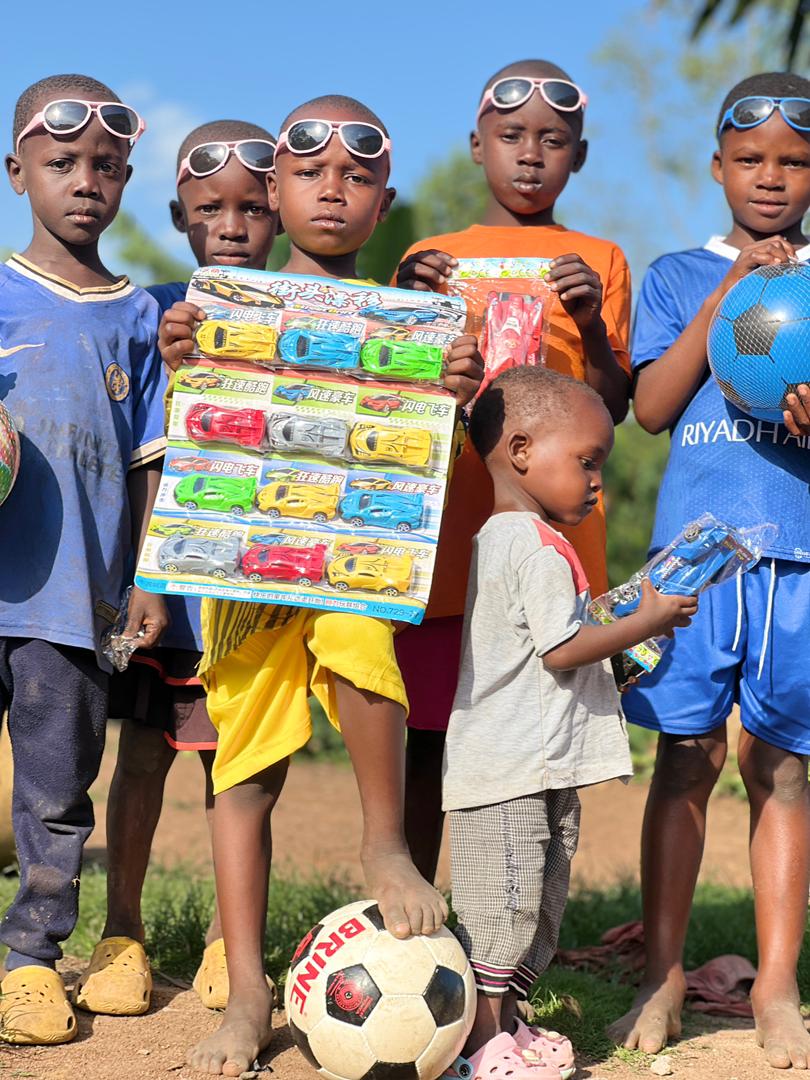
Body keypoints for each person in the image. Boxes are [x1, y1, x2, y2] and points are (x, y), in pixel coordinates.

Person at [158, 94, 485, 1076]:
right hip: (249, 570)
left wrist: (454, 386)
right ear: (273, 190)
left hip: (353, 559)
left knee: (356, 631)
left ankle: (385, 843)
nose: (332, 189)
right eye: (310, 173)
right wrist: (187, 362)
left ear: (385, 203)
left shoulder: (416, 326)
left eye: (356, 176)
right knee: (244, 762)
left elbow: (432, 454)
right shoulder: (222, 312)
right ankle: (249, 995)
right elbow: (194, 442)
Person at [607, 71, 810, 1072]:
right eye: (752, 159)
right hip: (696, 557)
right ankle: (663, 978)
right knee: (687, 761)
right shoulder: (683, 273)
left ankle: (777, 987)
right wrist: (732, 296)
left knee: (785, 768)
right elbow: (650, 406)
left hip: (799, 556)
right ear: (719, 167)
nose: (772, 178)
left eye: (795, 160)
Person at [394, 59, 632, 882]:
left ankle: (520, 948)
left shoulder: (598, 260)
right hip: (441, 550)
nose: (530, 154)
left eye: (553, 140)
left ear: (580, 155)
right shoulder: (430, 254)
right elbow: (394, 400)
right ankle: (413, 925)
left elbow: (614, 407)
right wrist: (402, 302)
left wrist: (593, 327)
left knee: (538, 758)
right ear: (475, 145)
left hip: (548, 558)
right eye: (511, 136)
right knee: (425, 741)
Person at [74, 119, 280, 1019]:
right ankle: (122, 929)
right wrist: (147, 576)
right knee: (145, 758)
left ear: (280, 212)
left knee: (235, 768)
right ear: (178, 215)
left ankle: (228, 943)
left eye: (251, 208)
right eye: (210, 209)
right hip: (173, 593)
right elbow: (134, 450)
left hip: (257, 595)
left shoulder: (303, 316)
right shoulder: (156, 311)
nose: (231, 225)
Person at [445, 366, 695, 1078]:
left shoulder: (537, 542)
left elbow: (558, 652)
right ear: (522, 450)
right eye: (587, 461)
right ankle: (479, 1043)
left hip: (541, 760)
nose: (596, 481)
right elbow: (560, 649)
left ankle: (509, 1025)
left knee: (540, 901)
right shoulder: (524, 541)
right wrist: (645, 616)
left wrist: (633, 644)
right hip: (507, 769)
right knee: (504, 906)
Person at [0, 73, 168, 1044]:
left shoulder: (137, 316)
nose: (84, 180)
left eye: (104, 166)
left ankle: (31, 962)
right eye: (62, 162)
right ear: (17, 172)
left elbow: (151, 463)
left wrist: (145, 576)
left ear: (127, 178)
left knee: (57, 790)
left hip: (74, 605)